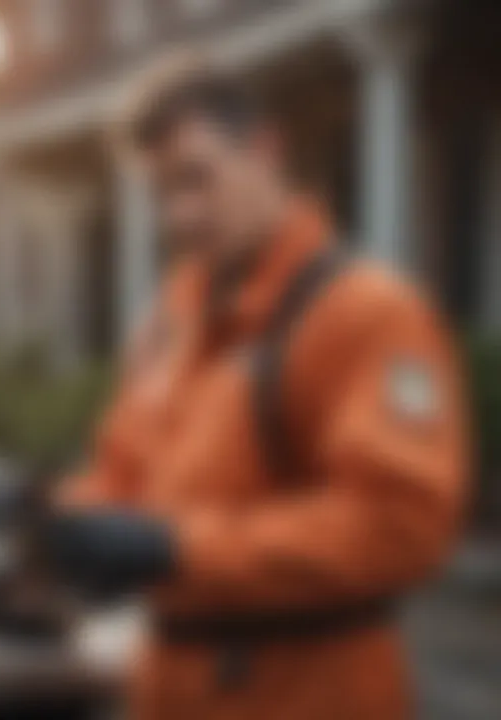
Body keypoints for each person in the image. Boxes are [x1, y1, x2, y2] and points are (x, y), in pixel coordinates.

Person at [44, 55, 470, 720]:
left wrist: (175, 549)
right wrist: (51, 519)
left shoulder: (367, 313)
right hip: (171, 684)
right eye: (161, 192)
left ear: (266, 151)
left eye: (196, 179)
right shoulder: (170, 321)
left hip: (309, 692)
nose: (180, 215)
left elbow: (400, 526)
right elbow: (123, 478)